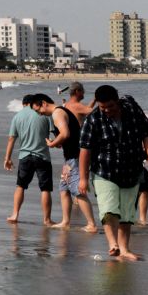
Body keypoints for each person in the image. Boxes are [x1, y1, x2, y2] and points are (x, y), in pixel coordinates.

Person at [78, 85, 148, 260]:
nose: (107, 110)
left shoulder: (132, 109)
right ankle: (113, 244)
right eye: (102, 107)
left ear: (118, 102)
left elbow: (147, 133)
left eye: (111, 107)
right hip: (104, 171)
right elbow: (85, 151)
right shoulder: (93, 120)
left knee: (127, 213)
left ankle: (124, 249)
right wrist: (83, 179)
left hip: (131, 170)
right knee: (109, 209)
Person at [30, 93, 97, 233]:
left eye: (38, 110)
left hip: (75, 156)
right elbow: (66, 136)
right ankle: (66, 221)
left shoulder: (57, 113)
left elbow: (65, 134)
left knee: (77, 191)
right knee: (64, 188)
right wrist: (58, 143)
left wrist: (53, 143)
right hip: (71, 156)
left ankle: (91, 224)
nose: (40, 114)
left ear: (43, 103)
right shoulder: (61, 111)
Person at [3, 94, 55, 225]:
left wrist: (7, 158)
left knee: (20, 186)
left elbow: (11, 139)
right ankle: (47, 219)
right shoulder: (44, 114)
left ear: (23, 104)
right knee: (45, 188)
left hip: (25, 156)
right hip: (42, 156)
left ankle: (15, 215)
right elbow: (54, 133)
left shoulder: (17, 116)